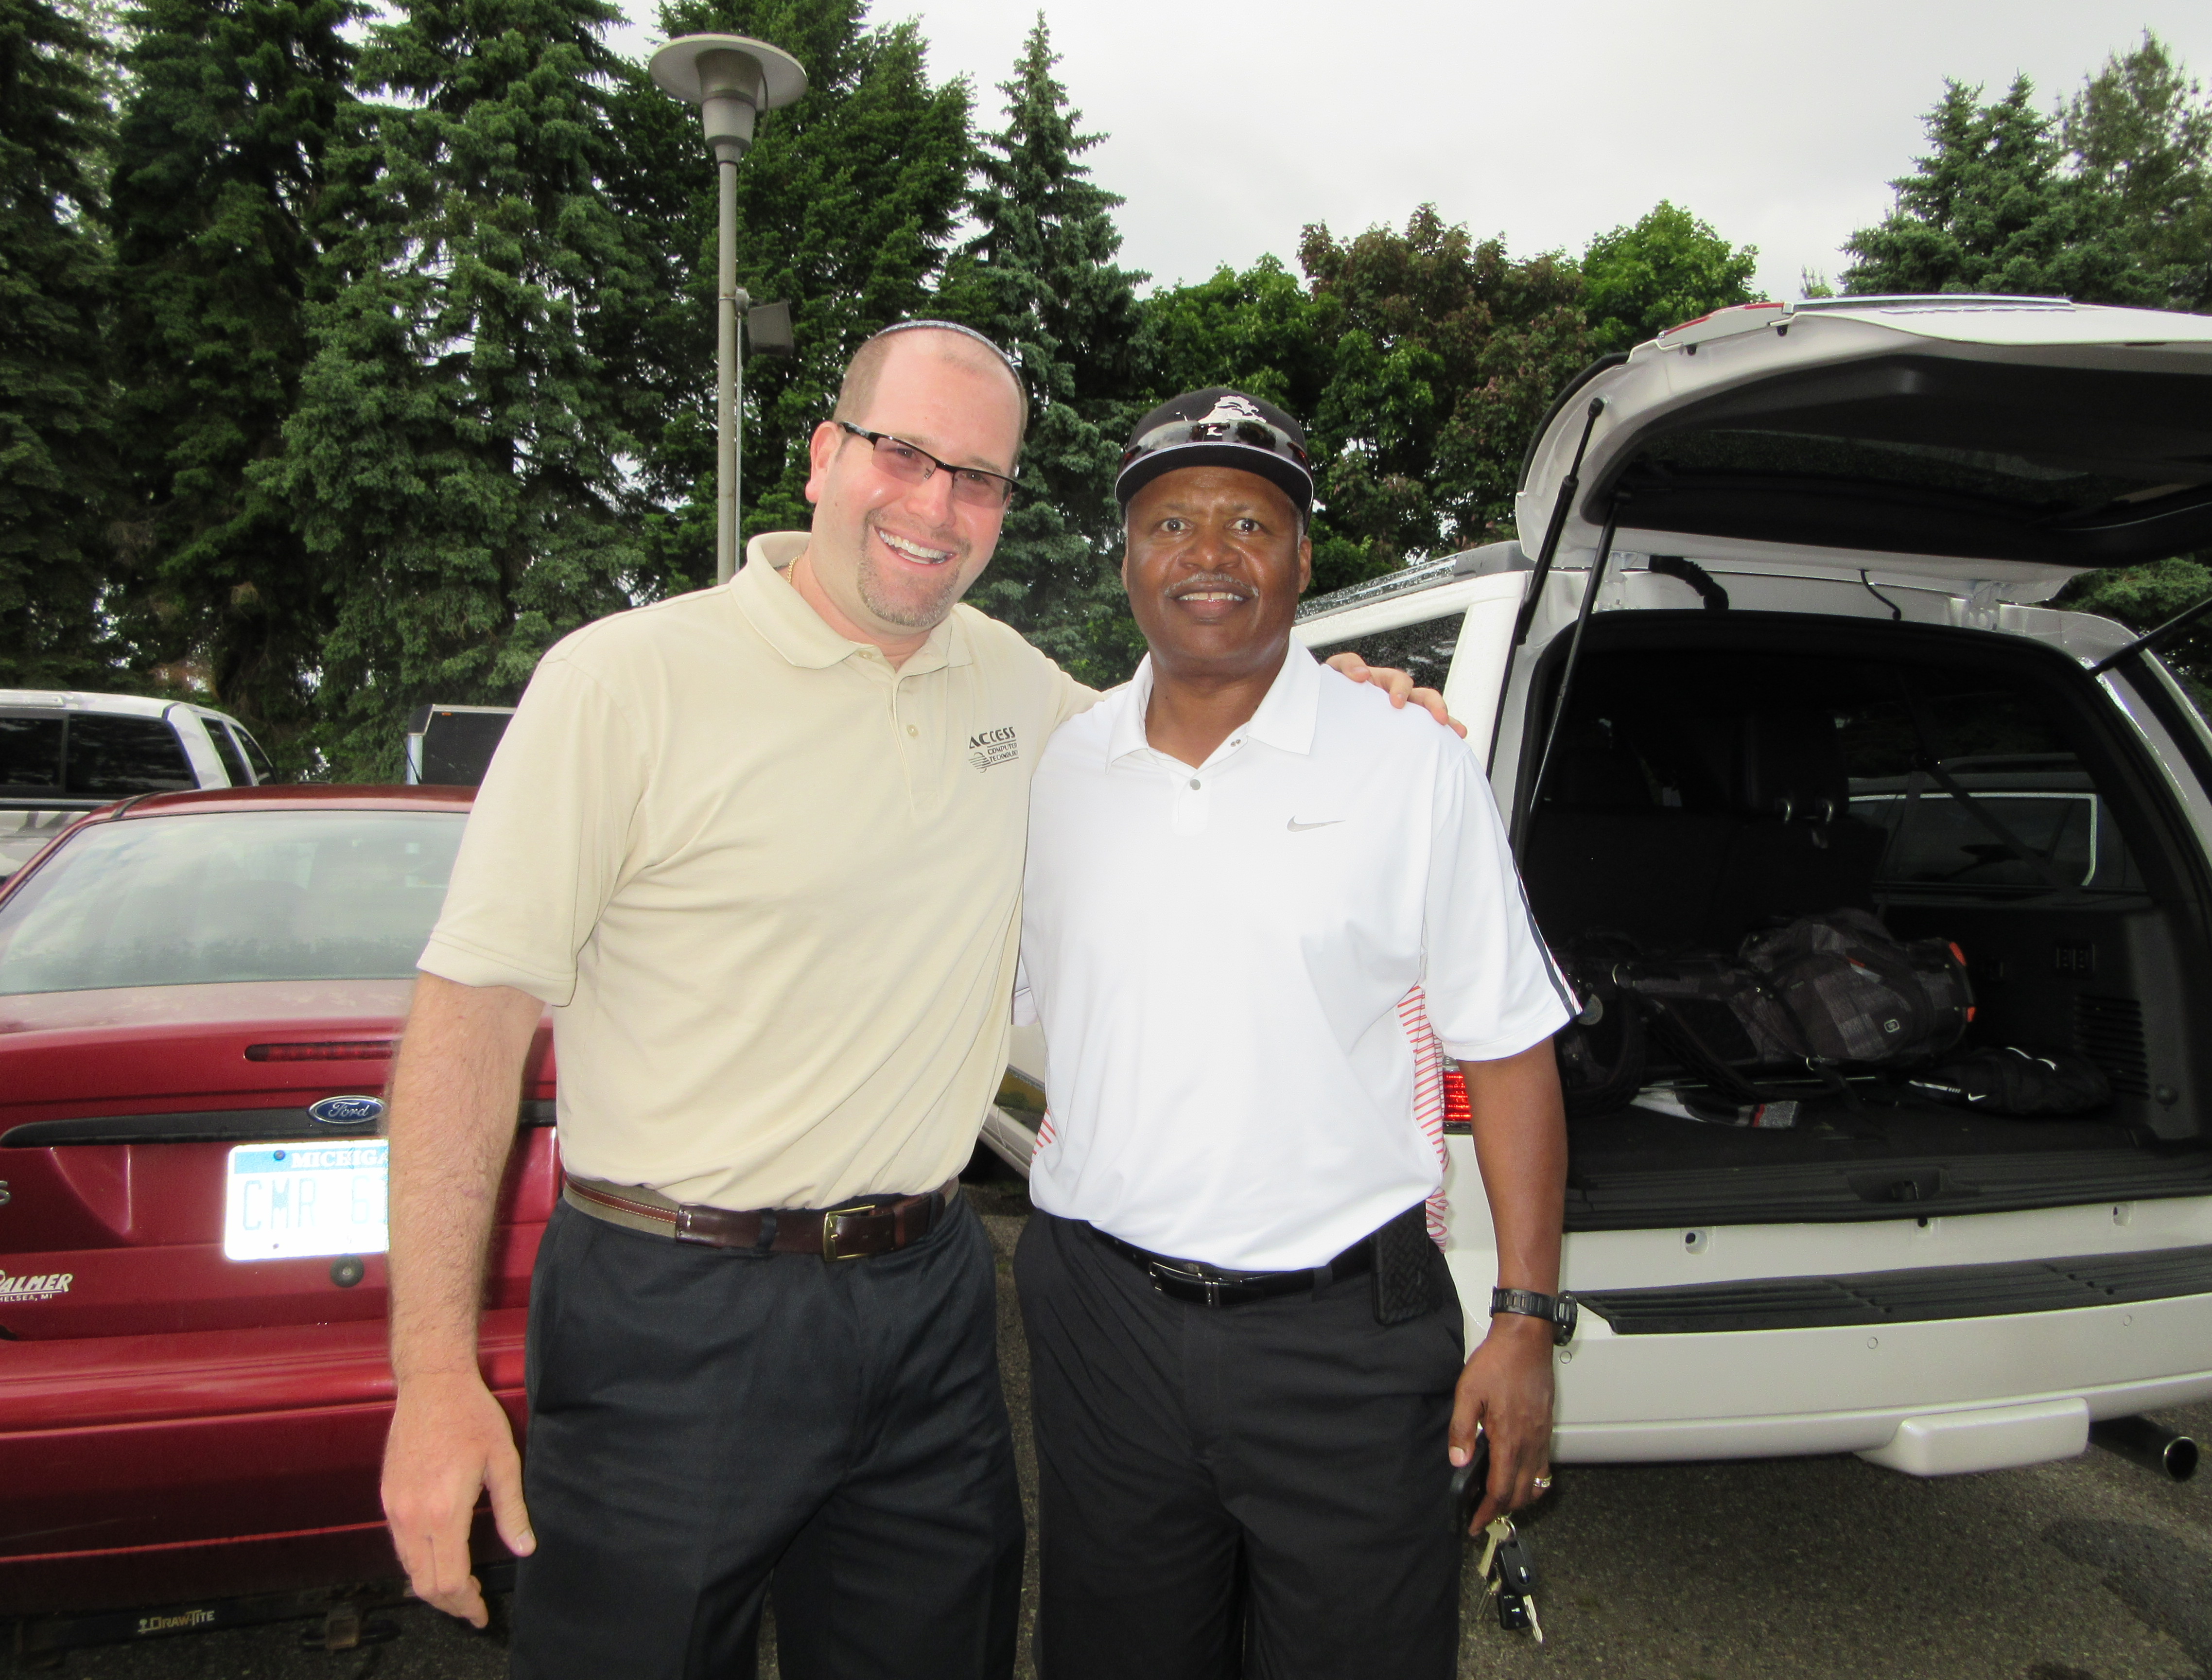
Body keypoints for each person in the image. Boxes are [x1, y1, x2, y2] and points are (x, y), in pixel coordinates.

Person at [376, 323, 1445, 1680]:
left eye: (979, 478)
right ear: (825, 456)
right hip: (671, 1312)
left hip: (928, 1307)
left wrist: (1344, 699)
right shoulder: (623, 682)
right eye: (905, 455)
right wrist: (432, 1376)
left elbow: (1192, 735)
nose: (937, 506)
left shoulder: (1013, 686)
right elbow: (469, 1021)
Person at [1012, 388, 1575, 1680]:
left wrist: (1525, 1320)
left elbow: (1508, 1047)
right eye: (1171, 523)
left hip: (1345, 1340)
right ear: (1126, 559)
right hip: (1104, 1329)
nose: (1208, 553)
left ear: (1303, 559)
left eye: (1250, 524)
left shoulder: (1409, 759)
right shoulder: (1062, 766)